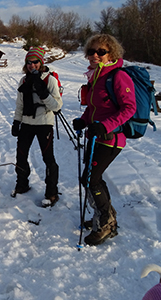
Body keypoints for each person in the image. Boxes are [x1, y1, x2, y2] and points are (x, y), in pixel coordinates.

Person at [72, 34, 136, 246]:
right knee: (91, 178)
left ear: (112, 54)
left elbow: (129, 108)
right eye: (91, 51)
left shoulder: (117, 76)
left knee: (91, 179)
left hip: (111, 138)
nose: (95, 55)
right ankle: (105, 215)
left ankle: (107, 224)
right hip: (95, 135)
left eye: (101, 52)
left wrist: (106, 125)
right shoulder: (95, 77)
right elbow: (93, 108)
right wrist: (83, 120)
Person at [11, 46, 63, 208]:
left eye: (35, 62)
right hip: (26, 123)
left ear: (41, 63)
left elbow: (57, 106)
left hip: (44, 124)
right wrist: (16, 121)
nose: (32, 65)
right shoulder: (24, 81)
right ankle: (22, 184)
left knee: (48, 159)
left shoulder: (50, 80)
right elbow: (20, 104)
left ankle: (51, 193)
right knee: (21, 156)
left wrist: (43, 93)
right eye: (29, 62)